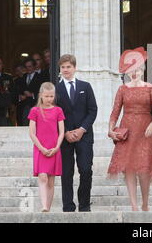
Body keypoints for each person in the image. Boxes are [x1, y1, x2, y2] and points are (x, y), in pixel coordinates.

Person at [107, 47, 152, 211]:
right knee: (129, 168)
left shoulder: (150, 88)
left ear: (142, 70)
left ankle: (145, 203)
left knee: (144, 169)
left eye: (137, 69)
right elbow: (115, 112)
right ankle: (133, 205)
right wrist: (111, 129)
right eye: (131, 70)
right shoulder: (122, 89)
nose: (134, 72)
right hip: (127, 131)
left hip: (146, 131)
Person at [55, 54, 98, 212]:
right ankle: (68, 206)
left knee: (86, 169)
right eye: (63, 67)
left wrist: (82, 129)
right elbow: (53, 113)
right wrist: (65, 132)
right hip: (64, 137)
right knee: (66, 172)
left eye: (68, 67)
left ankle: (84, 205)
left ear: (74, 68)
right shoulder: (55, 89)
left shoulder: (85, 87)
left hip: (84, 136)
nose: (66, 70)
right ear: (60, 70)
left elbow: (93, 110)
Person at [28, 82, 65, 212]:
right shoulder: (35, 111)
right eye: (46, 96)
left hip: (54, 149)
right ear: (41, 96)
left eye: (51, 96)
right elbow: (32, 133)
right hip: (40, 148)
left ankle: (48, 207)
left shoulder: (58, 110)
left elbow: (61, 132)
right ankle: (44, 205)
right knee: (42, 176)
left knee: (50, 180)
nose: (49, 99)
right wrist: (41, 148)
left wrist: (56, 147)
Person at [17, 58, 43, 126]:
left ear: (34, 67)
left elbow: (42, 92)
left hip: (35, 105)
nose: (28, 68)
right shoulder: (23, 77)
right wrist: (20, 96)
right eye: (26, 67)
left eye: (30, 66)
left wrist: (32, 95)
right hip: (23, 106)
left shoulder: (40, 77)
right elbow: (18, 90)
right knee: (24, 125)